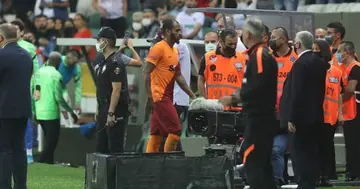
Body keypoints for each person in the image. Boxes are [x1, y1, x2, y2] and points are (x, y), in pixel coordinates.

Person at [218, 18, 278, 189]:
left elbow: (258, 85)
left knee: (252, 161)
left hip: (260, 119)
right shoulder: (259, 54)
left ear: (249, 34)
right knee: (263, 166)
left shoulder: (260, 55)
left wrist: (234, 98)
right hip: (261, 118)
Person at [280, 31, 330, 189]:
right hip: (315, 116)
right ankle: (310, 184)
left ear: (298, 44)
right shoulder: (320, 62)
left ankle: (304, 185)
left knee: (300, 155)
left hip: (300, 119)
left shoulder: (300, 63)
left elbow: (297, 92)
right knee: (311, 153)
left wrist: (292, 118)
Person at [144, 19, 196, 153]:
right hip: (160, 97)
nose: (180, 33)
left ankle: (150, 163)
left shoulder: (174, 51)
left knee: (156, 133)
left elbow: (178, 76)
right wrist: (150, 97)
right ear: (167, 31)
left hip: (167, 97)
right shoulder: (158, 48)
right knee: (176, 130)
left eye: (180, 30)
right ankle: (170, 160)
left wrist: (192, 95)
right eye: (177, 30)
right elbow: (146, 72)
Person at [0, 23, 33, 189]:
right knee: (19, 148)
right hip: (23, 109)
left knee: (4, 150)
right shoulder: (27, 55)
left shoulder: (1, 55)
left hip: (4, 109)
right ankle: (21, 185)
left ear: (1, 37)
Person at [93, 27, 133, 153]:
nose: (97, 43)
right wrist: (98, 108)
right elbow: (102, 88)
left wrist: (111, 113)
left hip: (113, 108)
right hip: (103, 105)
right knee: (101, 145)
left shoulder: (115, 63)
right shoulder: (103, 62)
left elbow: (116, 90)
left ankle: (115, 172)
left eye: (99, 40)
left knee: (115, 145)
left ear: (105, 41)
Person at [33, 52, 77, 164]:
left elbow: (33, 92)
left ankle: (49, 163)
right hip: (51, 113)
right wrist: (71, 111)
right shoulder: (56, 75)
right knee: (52, 142)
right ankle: (41, 162)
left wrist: (34, 111)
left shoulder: (38, 73)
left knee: (48, 139)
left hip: (39, 111)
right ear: (58, 62)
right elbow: (58, 98)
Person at [268, 27, 298, 187]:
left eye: (274, 37)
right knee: (275, 150)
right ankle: (278, 179)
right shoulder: (267, 58)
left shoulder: (296, 59)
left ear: (283, 39)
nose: (270, 40)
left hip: (290, 113)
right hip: (271, 113)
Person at [312, 39, 343, 186]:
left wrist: (340, 113)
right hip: (317, 114)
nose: (314, 52)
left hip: (331, 115)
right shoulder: (312, 69)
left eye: (317, 49)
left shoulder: (337, 72)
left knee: (327, 145)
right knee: (317, 146)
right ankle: (319, 174)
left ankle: (330, 173)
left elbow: (339, 94)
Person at [11, 20, 40, 164]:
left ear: (22, 32)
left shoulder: (29, 47)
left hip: (25, 89)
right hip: (8, 89)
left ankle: (28, 152)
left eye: (16, 29)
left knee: (26, 120)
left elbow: (35, 70)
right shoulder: (3, 46)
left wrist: (36, 89)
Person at [197, 29, 247, 110]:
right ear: (221, 42)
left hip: (235, 108)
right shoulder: (208, 57)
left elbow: (247, 83)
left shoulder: (243, 59)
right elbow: (200, 79)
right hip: (213, 106)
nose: (233, 47)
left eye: (235, 44)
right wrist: (204, 101)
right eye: (230, 44)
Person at [336, 41, 360, 181]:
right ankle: (351, 170)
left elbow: (350, 90)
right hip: (348, 111)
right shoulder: (345, 69)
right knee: (350, 142)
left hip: (355, 110)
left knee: (354, 142)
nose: (338, 54)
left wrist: (338, 98)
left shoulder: (355, 68)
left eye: (340, 51)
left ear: (348, 52)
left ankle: (354, 172)